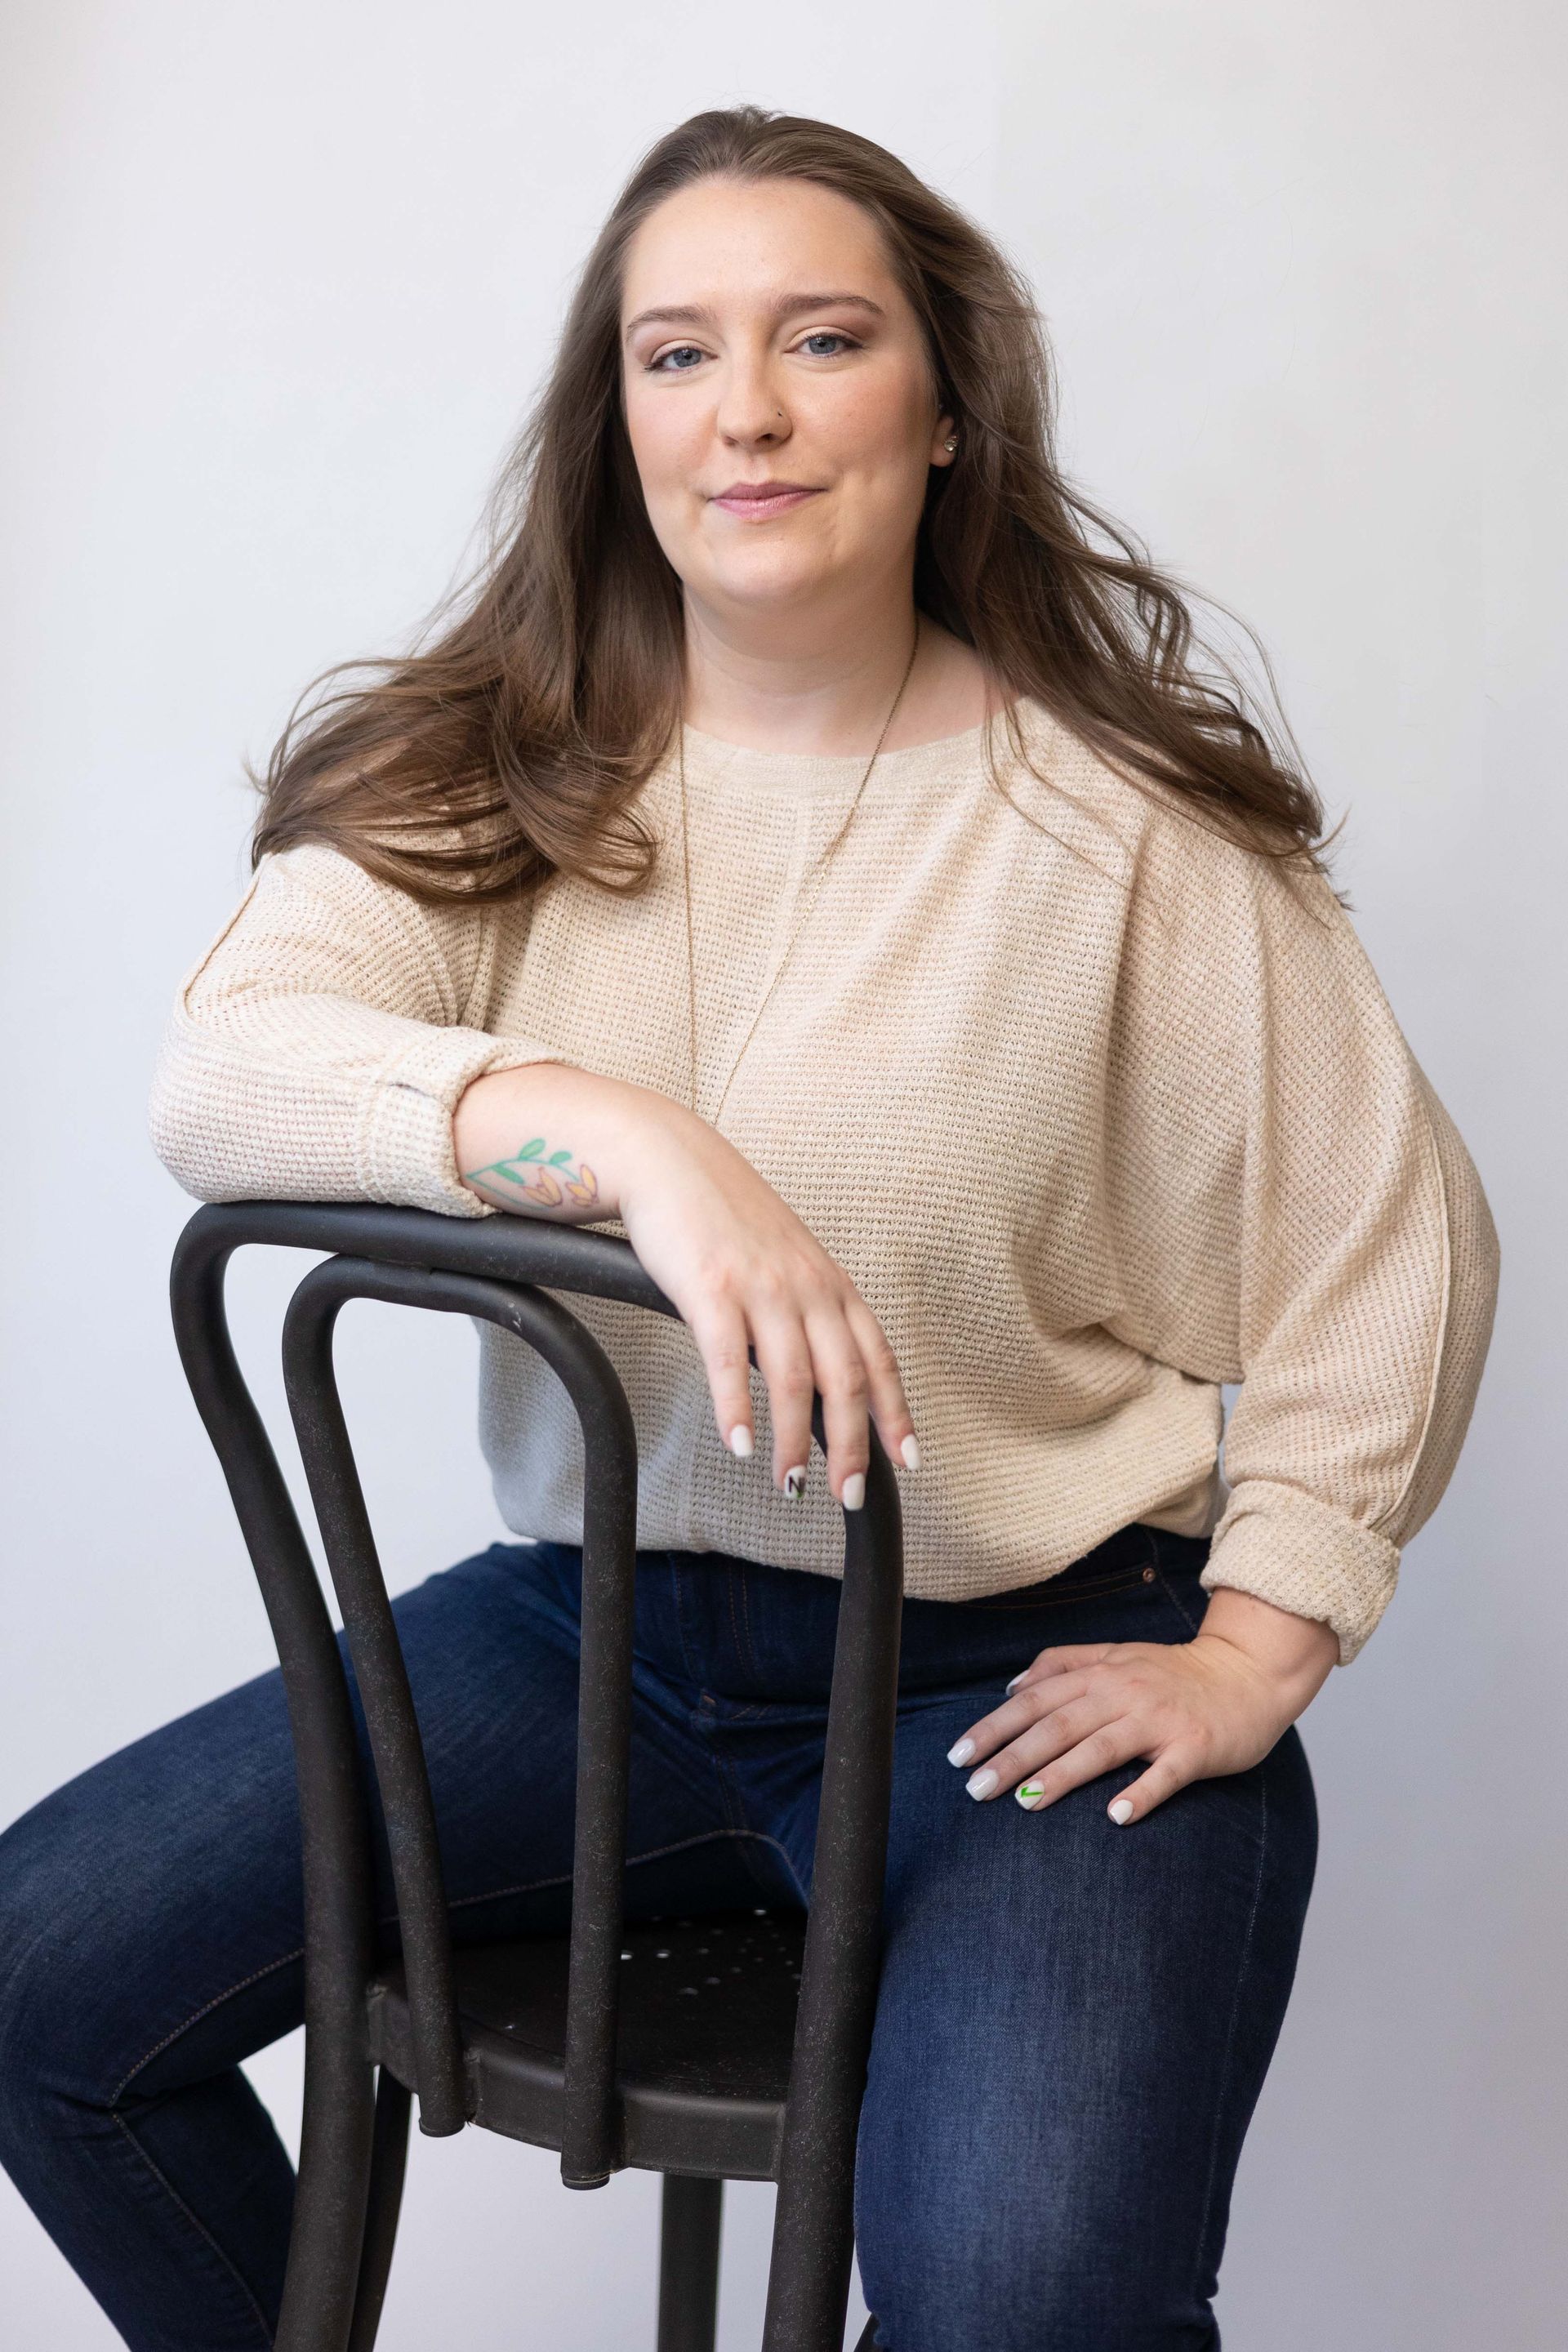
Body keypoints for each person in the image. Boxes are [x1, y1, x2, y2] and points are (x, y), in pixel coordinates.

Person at [0, 105, 1499, 2352]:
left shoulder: (1125, 833)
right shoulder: (501, 774)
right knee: (41, 1987)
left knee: (1025, 2306)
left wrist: (1261, 1641)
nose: (753, 413)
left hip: (1012, 1668)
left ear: (948, 403)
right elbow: (224, 1072)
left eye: (823, 339)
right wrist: (622, 1136)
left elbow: (1388, 1244)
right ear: (616, 426)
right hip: (591, 1646)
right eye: (677, 355)